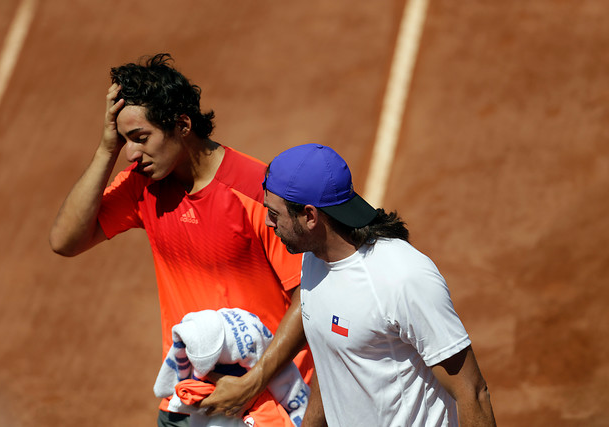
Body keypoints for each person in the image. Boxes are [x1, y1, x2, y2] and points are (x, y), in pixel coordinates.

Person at [48, 53, 319, 427]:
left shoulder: (257, 191)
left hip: (267, 402)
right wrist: (105, 149)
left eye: (140, 138)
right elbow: (66, 240)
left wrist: (253, 383)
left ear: (182, 125)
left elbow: (307, 296)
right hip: (186, 399)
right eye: (124, 141)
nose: (131, 153)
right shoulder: (141, 186)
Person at [260, 143, 497, 426]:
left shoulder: (402, 277)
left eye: (274, 214)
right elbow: (336, 363)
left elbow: (472, 392)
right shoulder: (313, 260)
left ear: (310, 216)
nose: (267, 222)